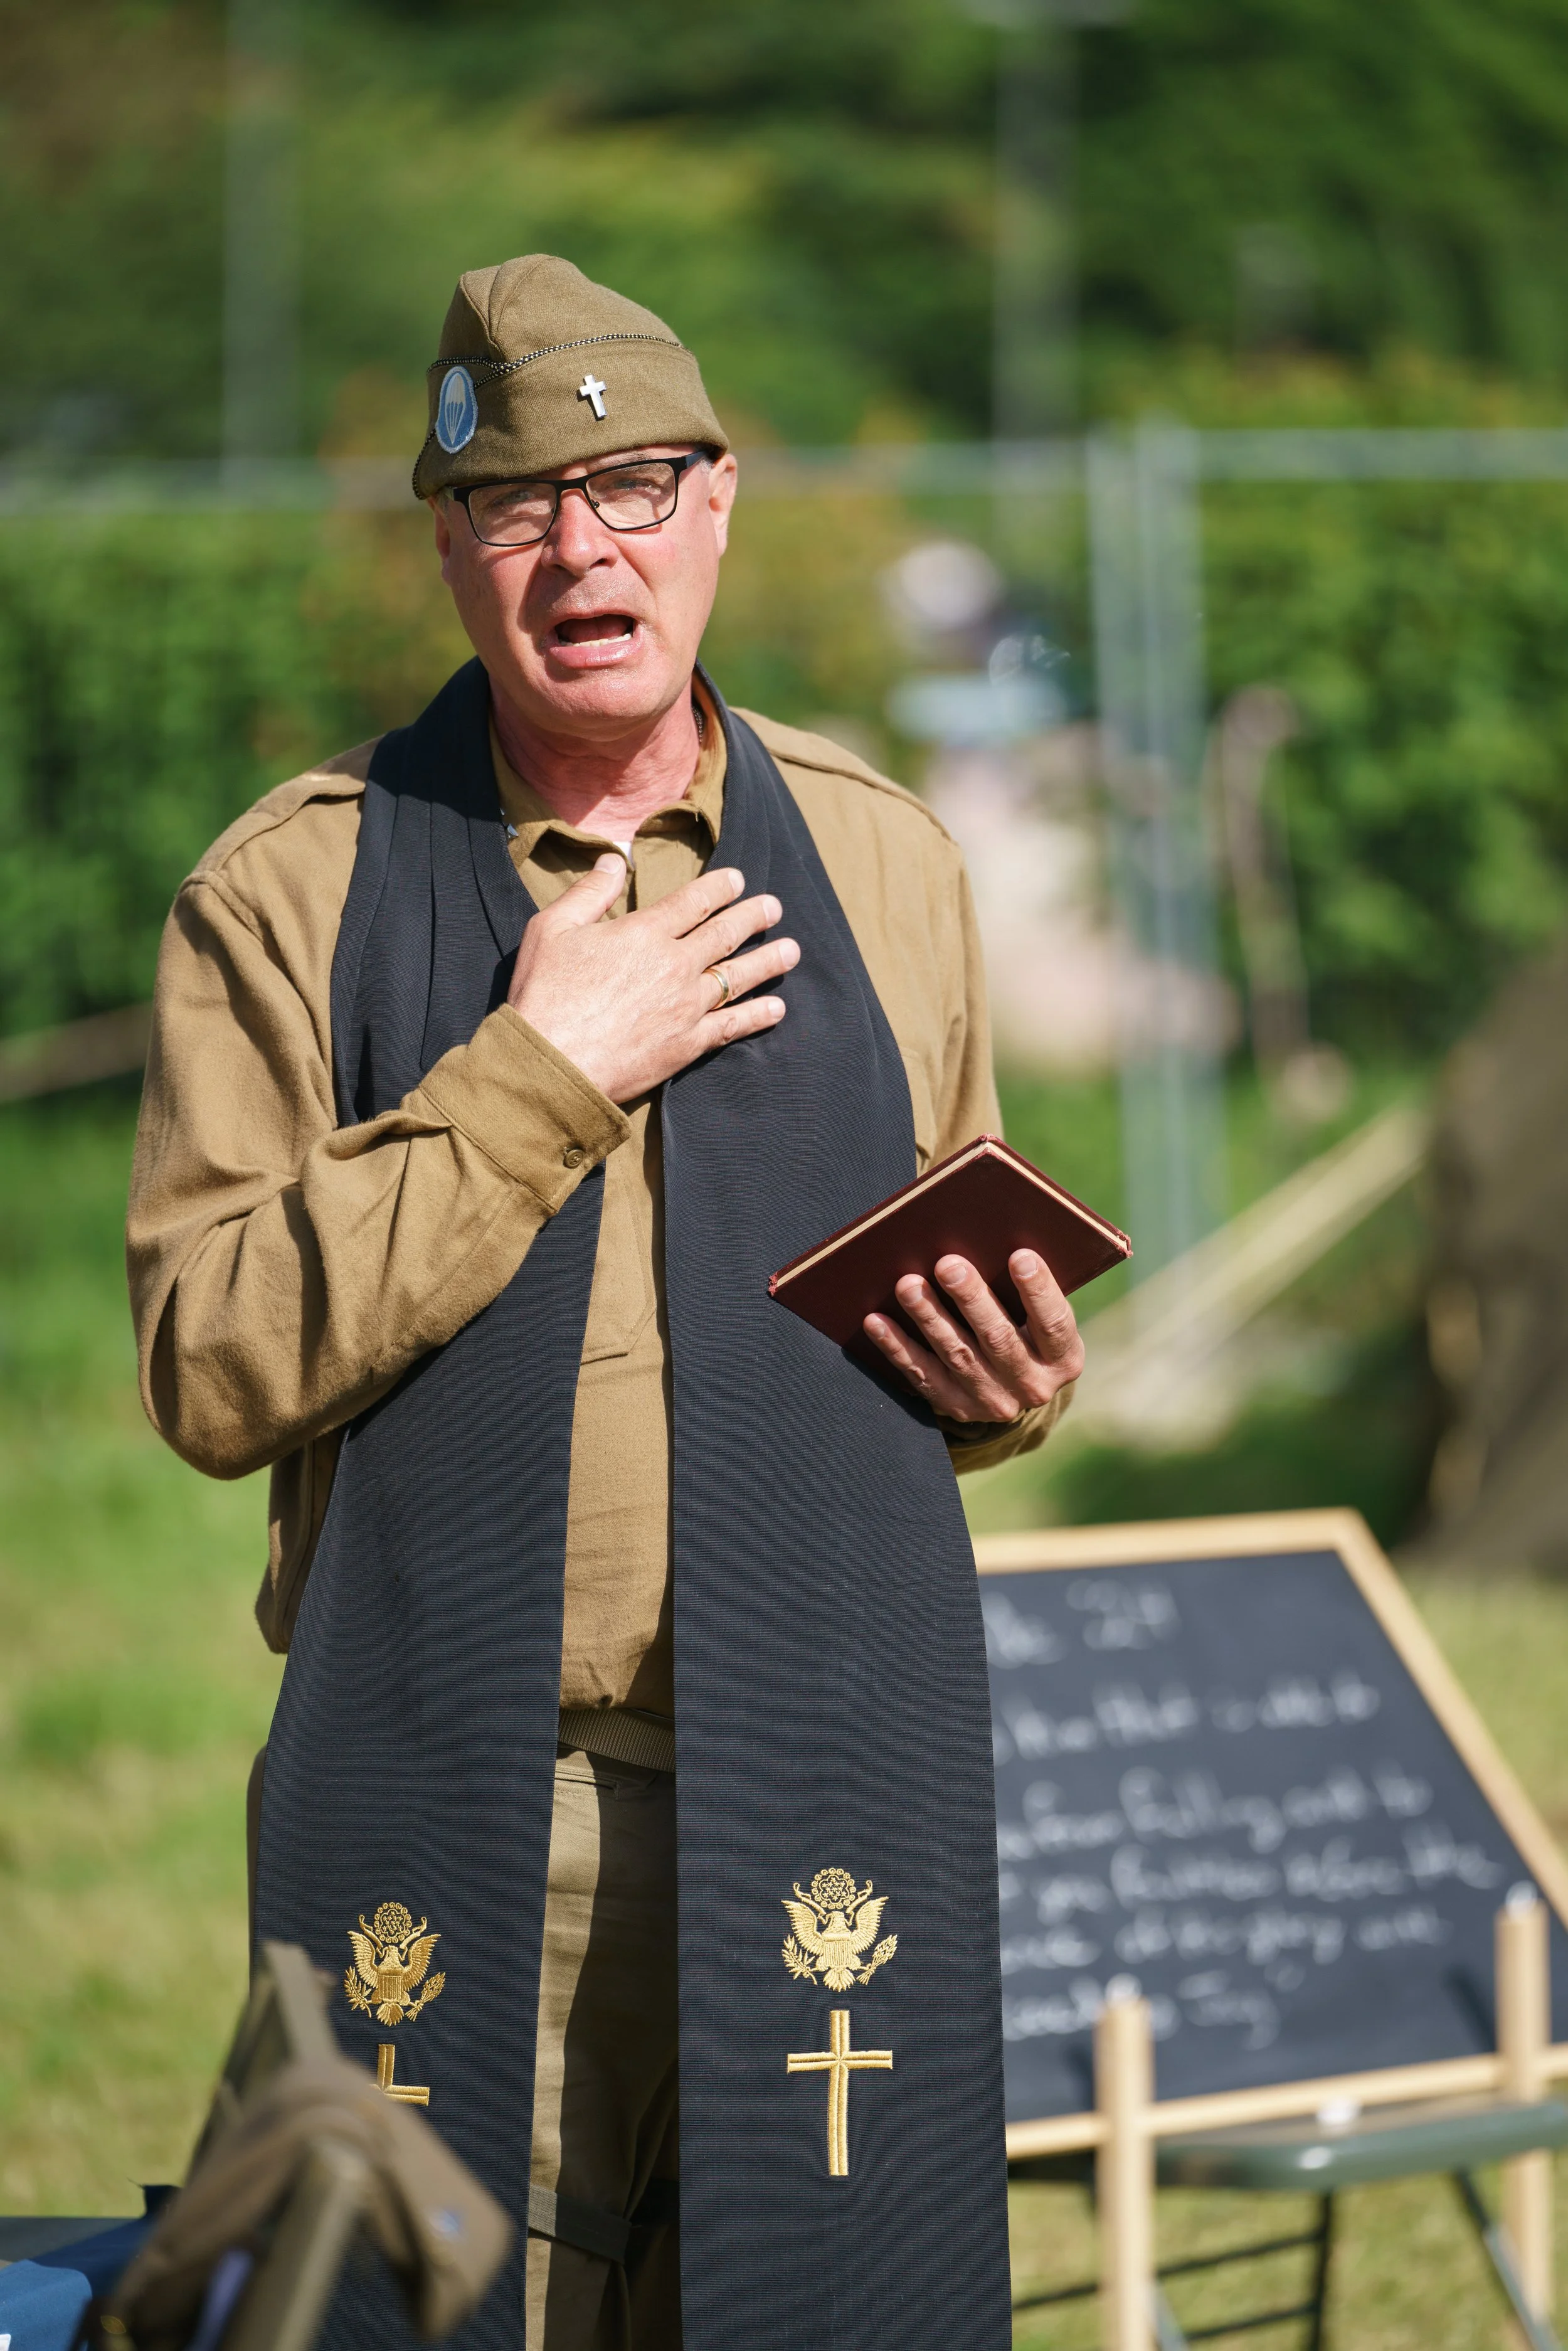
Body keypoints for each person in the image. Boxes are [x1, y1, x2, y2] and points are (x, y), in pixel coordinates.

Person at [127, 255, 1084, 2351]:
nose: (581, 548)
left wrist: (1007, 1378)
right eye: (514, 504)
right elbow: (207, 1367)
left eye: (636, 485)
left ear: (719, 505)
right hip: (477, 1805)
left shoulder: (888, 862)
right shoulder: (290, 888)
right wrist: (539, 1075)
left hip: (835, 1779)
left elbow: (940, 1294)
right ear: (450, 545)